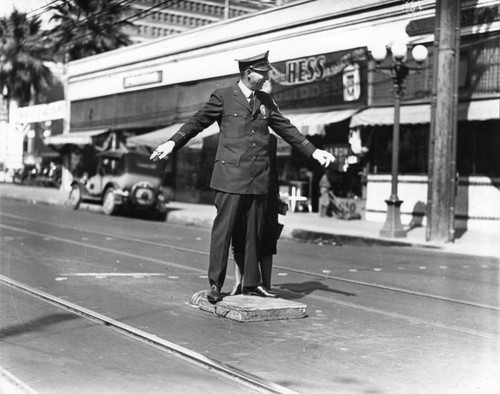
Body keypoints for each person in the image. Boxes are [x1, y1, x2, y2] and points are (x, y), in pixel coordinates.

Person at [150, 50, 335, 303]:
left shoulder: (266, 101)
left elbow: (287, 129)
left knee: (253, 233)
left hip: (257, 177)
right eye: (264, 73)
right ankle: (215, 284)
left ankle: (251, 283)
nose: (267, 77)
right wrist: (172, 143)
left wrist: (314, 152)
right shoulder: (223, 97)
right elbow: (197, 122)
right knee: (223, 233)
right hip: (229, 176)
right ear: (249, 73)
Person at [231, 134, 285, 296]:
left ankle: (266, 285)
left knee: (268, 240)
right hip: (242, 190)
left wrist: (277, 196)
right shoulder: (239, 133)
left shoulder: (272, 140)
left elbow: (273, 170)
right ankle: (239, 283)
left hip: (267, 192)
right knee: (239, 238)